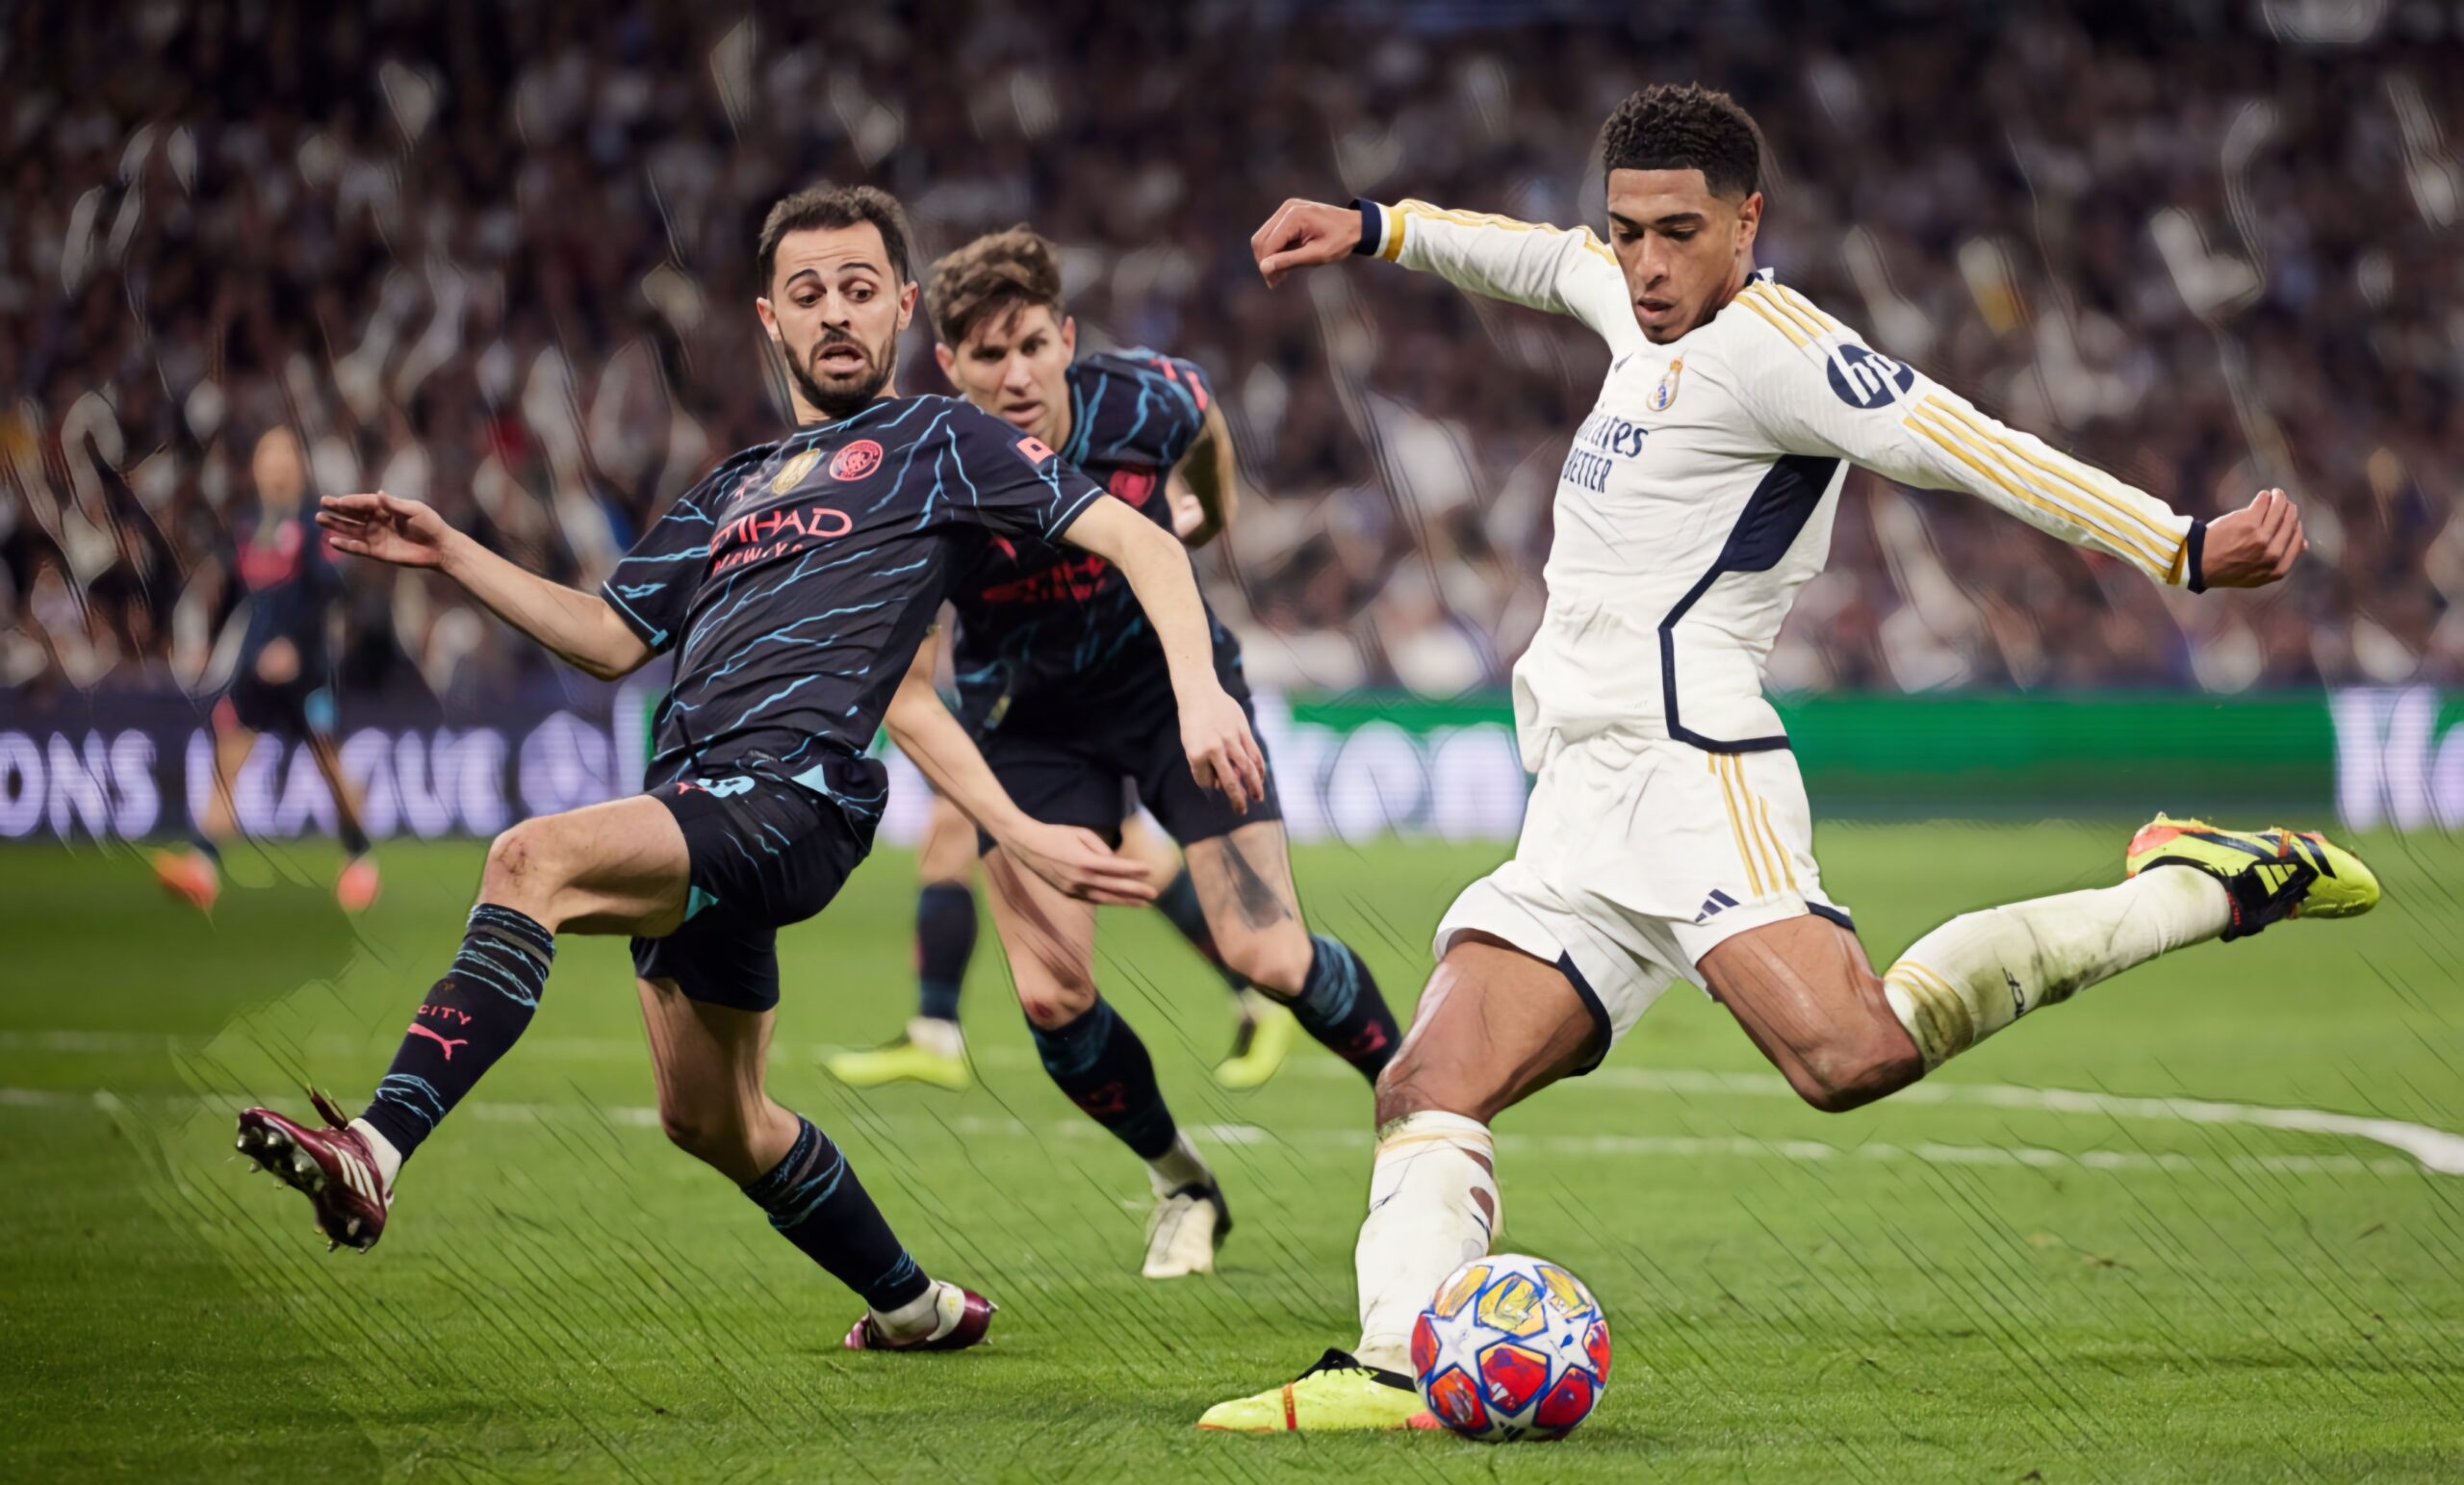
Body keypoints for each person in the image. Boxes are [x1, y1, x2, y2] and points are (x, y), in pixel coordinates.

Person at [1200, 83, 2380, 1429]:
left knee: (1848, 1056)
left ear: (1748, 223)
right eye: (1629, 228)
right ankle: (1397, 1366)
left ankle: (2190, 882)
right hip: (1581, 796)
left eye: (1678, 233)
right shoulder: (1630, 294)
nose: (1645, 263)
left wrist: (2178, 544)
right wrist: (1373, 227)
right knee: (1429, 1078)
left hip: (1697, 767)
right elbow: (1538, 258)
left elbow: (1966, 445)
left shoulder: (1780, 347)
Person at [231, 184, 1266, 1355]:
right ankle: (916, 1305)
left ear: (902, 310)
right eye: (809, 293)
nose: (835, 314)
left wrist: (1199, 693)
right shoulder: (729, 487)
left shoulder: (942, 439)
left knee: (532, 857)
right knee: (713, 1120)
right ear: (769, 318)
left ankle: (375, 1148)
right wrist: (453, 552)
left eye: (861, 291)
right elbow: (612, 633)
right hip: (695, 793)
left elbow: (1134, 537)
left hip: (796, 793)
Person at [874, 225, 1400, 1280]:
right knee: (1049, 995)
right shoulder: (921, 477)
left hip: (1174, 692)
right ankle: (1181, 1180)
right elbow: (906, 687)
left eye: (1030, 344)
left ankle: (1427, 1120)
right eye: (987, 356)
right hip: (1027, 726)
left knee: (1270, 956)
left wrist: (1212, 512)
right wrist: (1011, 827)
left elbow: (1203, 429)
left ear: (1066, 337)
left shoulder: (1146, 398)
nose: (1015, 374)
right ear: (948, 367)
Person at [825, 770, 1293, 1094]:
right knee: (951, 831)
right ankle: (935, 1031)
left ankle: (1257, 989)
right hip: (1005, 695)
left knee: (1134, 854)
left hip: (1060, 701)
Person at [152, 426, 380, 912]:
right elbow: (237, 595)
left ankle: (360, 857)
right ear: (256, 467)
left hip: (305, 671)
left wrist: (294, 647)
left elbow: (327, 593)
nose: (274, 465)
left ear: (297, 465)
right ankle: (203, 866)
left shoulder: (316, 523)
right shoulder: (248, 524)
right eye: (266, 454)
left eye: (283, 454)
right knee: (228, 759)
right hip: (255, 667)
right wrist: (209, 646)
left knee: (329, 766)